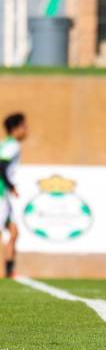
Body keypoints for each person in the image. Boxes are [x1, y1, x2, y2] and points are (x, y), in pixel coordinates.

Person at [0, 113, 27, 279]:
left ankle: (9, 271)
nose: (26, 130)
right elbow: (1, 165)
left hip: (5, 194)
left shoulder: (7, 144)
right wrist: (11, 187)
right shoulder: (12, 145)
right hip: (1, 192)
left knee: (14, 231)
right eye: (24, 126)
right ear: (15, 129)